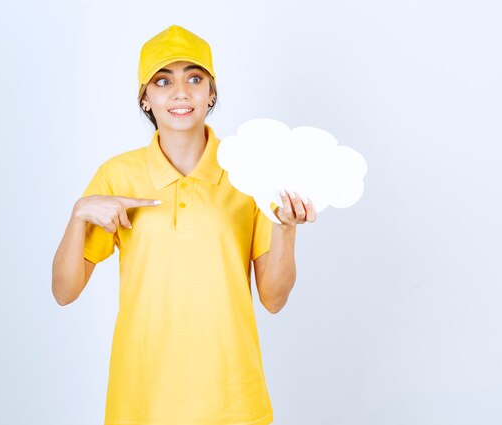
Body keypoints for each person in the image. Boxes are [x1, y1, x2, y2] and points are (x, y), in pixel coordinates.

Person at [52, 24, 316, 425]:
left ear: (211, 93)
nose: (180, 92)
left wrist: (286, 227)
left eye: (195, 78)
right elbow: (64, 292)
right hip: (141, 399)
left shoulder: (249, 172)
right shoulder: (115, 175)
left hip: (232, 400)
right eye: (163, 81)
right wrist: (78, 216)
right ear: (145, 98)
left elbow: (274, 300)